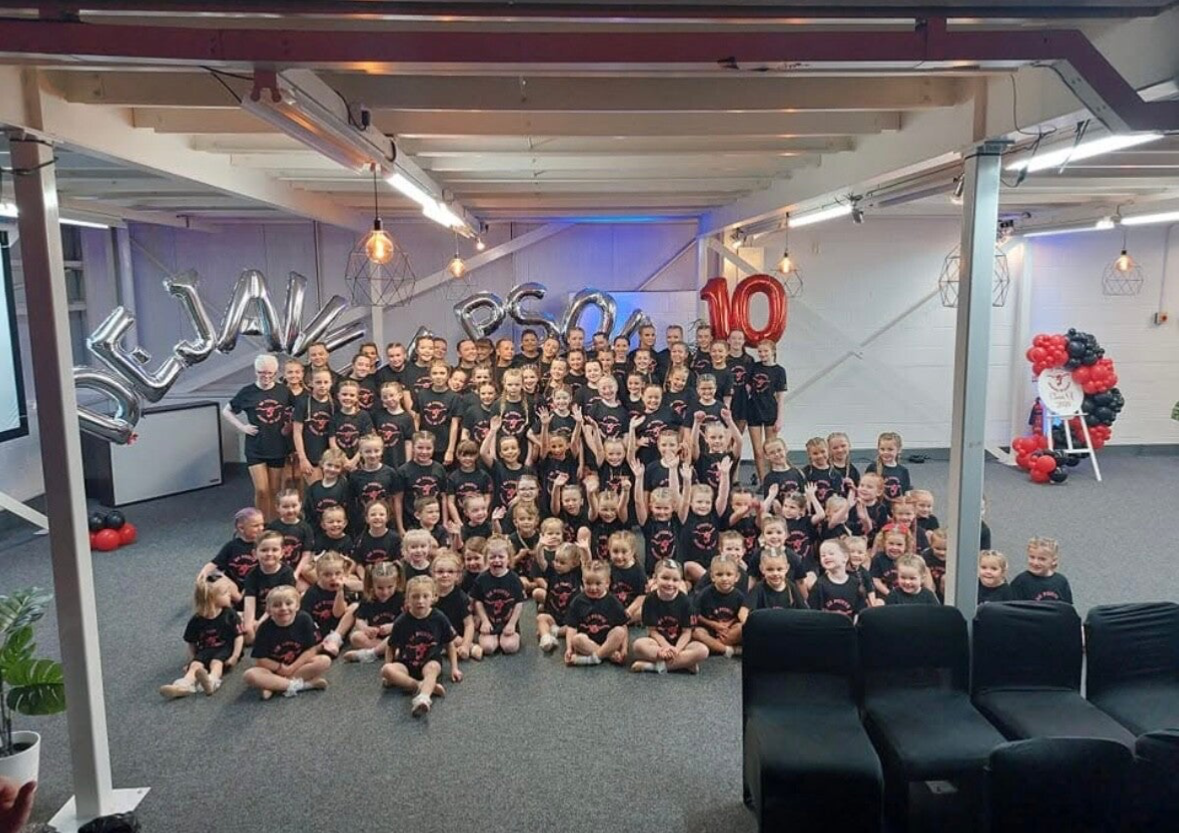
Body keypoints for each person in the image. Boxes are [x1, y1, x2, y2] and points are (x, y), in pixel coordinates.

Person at [223, 354, 292, 520]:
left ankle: (274, 522)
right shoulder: (247, 392)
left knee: (275, 490)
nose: (266, 376)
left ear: (276, 373)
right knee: (261, 490)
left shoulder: (284, 391)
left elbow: (298, 410)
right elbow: (226, 410)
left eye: (270, 373)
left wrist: (289, 426)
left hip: (278, 446)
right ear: (255, 372)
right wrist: (242, 427)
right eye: (262, 372)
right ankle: (261, 523)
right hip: (256, 447)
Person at [380, 576, 460, 717]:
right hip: (406, 662)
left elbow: (450, 644)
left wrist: (454, 668)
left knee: (433, 668)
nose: (420, 601)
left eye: (425, 596)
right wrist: (389, 666)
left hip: (430, 660)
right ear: (408, 599)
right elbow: (390, 646)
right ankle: (419, 685)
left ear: (434, 597)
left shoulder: (439, 618)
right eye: (415, 597)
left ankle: (423, 698)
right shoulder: (401, 621)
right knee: (386, 670)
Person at [160, 574, 243, 699]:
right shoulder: (197, 619)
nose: (229, 595)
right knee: (195, 666)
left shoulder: (229, 614)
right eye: (225, 593)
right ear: (212, 599)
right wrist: (191, 660)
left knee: (216, 663)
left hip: (225, 648)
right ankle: (184, 685)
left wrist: (235, 656)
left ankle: (212, 680)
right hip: (206, 649)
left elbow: (239, 636)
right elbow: (191, 642)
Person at [243, 586, 331, 700]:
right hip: (273, 670)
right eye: (276, 605)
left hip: (297, 665)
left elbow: (311, 650)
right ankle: (304, 685)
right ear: (268, 610)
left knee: (324, 661)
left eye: (288, 603)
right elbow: (261, 660)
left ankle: (275, 685)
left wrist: (292, 667)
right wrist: (280, 668)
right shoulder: (264, 628)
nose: (283, 608)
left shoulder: (304, 619)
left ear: (297, 606)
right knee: (250, 675)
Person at [631, 559, 708, 674]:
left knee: (703, 650)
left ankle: (654, 666)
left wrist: (676, 649)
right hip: (658, 644)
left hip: (681, 644)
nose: (670, 583)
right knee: (638, 645)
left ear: (680, 582)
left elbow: (687, 633)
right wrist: (665, 647)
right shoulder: (650, 600)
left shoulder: (686, 602)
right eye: (665, 578)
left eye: (675, 580)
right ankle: (684, 663)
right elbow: (653, 631)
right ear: (655, 578)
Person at [564, 559, 629, 667]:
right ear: (583, 581)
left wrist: (624, 648)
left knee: (620, 632)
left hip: (608, 641)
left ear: (607, 583)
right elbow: (571, 628)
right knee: (577, 639)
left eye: (598, 583)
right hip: (587, 642)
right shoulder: (577, 601)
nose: (593, 588)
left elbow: (623, 625)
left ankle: (591, 659)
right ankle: (607, 655)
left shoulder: (613, 601)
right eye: (588, 583)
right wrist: (569, 649)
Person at [471, 536, 527, 656]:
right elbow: (478, 602)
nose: (497, 560)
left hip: (508, 622)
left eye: (501, 557)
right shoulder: (482, 579)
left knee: (509, 647)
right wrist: (484, 621)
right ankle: (494, 637)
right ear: (486, 559)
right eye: (492, 557)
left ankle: (504, 637)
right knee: (488, 648)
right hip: (489, 621)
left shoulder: (514, 579)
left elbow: (519, 602)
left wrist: (512, 623)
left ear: (509, 559)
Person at [199, 507, 265, 603]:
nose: (261, 528)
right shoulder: (231, 546)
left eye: (262, 524)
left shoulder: (264, 544)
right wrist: (202, 575)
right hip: (234, 586)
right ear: (241, 528)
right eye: (256, 526)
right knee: (211, 578)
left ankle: (244, 604)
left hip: (256, 582)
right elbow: (214, 564)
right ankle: (240, 602)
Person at [300, 551, 358, 657]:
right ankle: (321, 646)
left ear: (343, 574)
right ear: (318, 574)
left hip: (337, 629)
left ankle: (335, 640)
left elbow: (338, 614)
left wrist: (340, 592)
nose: (333, 578)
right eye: (327, 575)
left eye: (337, 573)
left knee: (355, 607)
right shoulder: (312, 592)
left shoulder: (343, 588)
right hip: (318, 628)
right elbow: (305, 618)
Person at [343, 561, 404, 662]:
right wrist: (366, 629)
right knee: (355, 637)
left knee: (394, 639)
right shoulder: (368, 598)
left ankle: (372, 653)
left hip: (395, 636)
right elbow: (359, 619)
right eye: (380, 588)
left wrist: (393, 626)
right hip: (377, 638)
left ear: (396, 583)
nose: (385, 592)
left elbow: (408, 620)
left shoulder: (401, 597)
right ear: (372, 584)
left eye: (390, 587)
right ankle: (387, 651)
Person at [241, 530, 295, 644]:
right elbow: (249, 602)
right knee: (248, 636)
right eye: (264, 550)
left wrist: (260, 623)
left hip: (280, 611)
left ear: (282, 553)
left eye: (274, 550)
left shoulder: (287, 573)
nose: (269, 554)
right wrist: (249, 625)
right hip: (259, 612)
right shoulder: (252, 574)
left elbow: (283, 604)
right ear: (255, 554)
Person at [535, 541, 584, 653]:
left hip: (570, 617)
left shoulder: (577, 574)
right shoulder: (552, 572)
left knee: (576, 627)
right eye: (556, 560)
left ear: (574, 564)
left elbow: (586, 563)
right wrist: (540, 547)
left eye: (562, 563)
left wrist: (585, 551)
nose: (557, 564)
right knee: (541, 618)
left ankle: (554, 632)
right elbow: (541, 562)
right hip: (554, 614)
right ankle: (546, 639)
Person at [693, 554, 746, 658]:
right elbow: (696, 614)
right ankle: (729, 650)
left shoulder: (739, 596)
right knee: (697, 633)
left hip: (728, 631)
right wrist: (713, 625)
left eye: (729, 574)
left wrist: (728, 624)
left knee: (742, 628)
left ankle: (714, 647)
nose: (724, 578)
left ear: (736, 577)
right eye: (719, 574)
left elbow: (739, 615)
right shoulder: (704, 593)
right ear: (712, 577)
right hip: (710, 629)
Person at [431, 551, 479, 662]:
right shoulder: (429, 594)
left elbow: (469, 624)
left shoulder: (461, 597)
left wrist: (466, 645)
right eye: (440, 571)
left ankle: (464, 648)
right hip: (432, 632)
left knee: (453, 638)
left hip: (455, 634)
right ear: (433, 574)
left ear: (457, 575)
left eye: (450, 572)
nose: (445, 575)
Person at [292, 367, 335, 486]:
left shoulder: (335, 404)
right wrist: (302, 459)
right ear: (311, 383)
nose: (322, 386)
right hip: (311, 457)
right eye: (318, 382)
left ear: (331, 383)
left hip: (331, 458)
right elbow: (297, 433)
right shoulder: (303, 403)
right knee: (317, 492)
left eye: (326, 382)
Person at [414, 359, 462, 465]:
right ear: (430, 375)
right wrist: (416, 444)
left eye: (442, 373)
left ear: (448, 375)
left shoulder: (455, 397)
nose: (438, 376)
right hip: (424, 447)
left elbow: (454, 425)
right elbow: (417, 420)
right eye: (434, 373)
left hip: (443, 446)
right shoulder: (421, 394)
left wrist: (450, 450)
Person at [806, 539, 866, 618]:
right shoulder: (819, 585)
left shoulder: (855, 584)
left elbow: (859, 612)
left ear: (845, 557)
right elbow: (813, 613)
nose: (826, 557)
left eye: (831, 553)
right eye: (823, 555)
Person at [268, 488, 315, 577]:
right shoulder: (272, 527)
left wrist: (296, 573)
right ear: (277, 507)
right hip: (278, 570)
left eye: (294, 506)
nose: (290, 510)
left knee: (304, 588)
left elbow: (306, 555)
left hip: (298, 569)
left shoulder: (306, 528)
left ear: (300, 505)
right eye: (285, 507)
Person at [1010, 537, 1073, 603]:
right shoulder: (1021, 581)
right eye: (1032, 557)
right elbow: (1013, 608)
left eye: (1042, 559)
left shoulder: (1061, 582)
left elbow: (1067, 609)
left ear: (1054, 560)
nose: (1035, 563)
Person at [351, 499, 401, 582]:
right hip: (368, 579)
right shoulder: (360, 540)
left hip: (389, 578)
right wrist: (364, 580)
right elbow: (358, 564)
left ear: (387, 517)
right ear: (367, 518)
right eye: (373, 515)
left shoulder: (395, 538)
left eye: (381, 514)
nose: (377, 517)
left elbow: (397, 562)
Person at [371, 381, 415, 470]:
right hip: (381, 460)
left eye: (392, 395)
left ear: (400, 395)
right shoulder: (377, 415)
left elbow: (408, 442)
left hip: (399, 460)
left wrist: (407, 463)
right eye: (385, 397)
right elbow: (373, 435)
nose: (389, 399)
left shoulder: (407, 417)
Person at [867, 431, 912, 502]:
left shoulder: (903, 471)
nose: (885, 452)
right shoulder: (873, 468)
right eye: (882, 449)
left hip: (895, 508)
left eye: (890, 449)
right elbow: (866, 489)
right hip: (877, 508)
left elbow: (906, 493)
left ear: (899, 450)